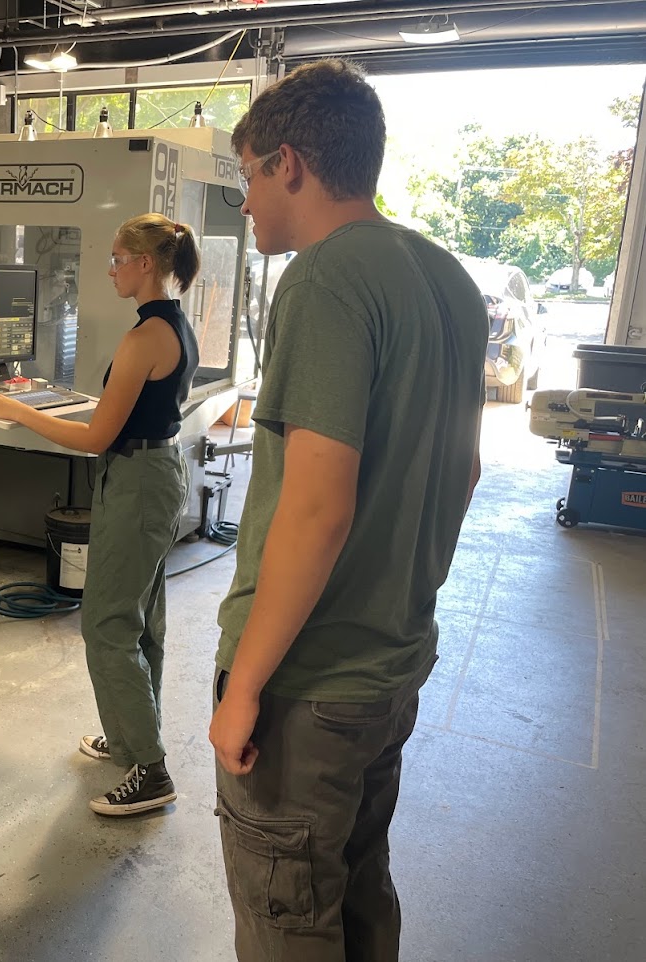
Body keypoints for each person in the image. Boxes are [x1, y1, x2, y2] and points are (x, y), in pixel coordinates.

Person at [209, 60, 487, 960]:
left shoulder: (325, 278)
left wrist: (244, 686)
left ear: (288, 163)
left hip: (310, 683)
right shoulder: (444, 276)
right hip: (390, 663)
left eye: (248, 174)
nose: (245, 201)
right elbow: (468, 468)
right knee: (358, 885)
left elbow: (317, 507)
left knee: (286, 913)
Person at [0, 213, 200, 816]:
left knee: (106, 624)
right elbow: (127, 409)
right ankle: (128, 739)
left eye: (119, 259)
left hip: (137, 483)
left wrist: (19, 413)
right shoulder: (171, 324)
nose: (112, 269)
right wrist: (50, 401)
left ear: (145, 264)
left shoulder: (145, 337)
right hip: (153, 473)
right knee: (141, 620)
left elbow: (96, 437)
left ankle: (151, 773)